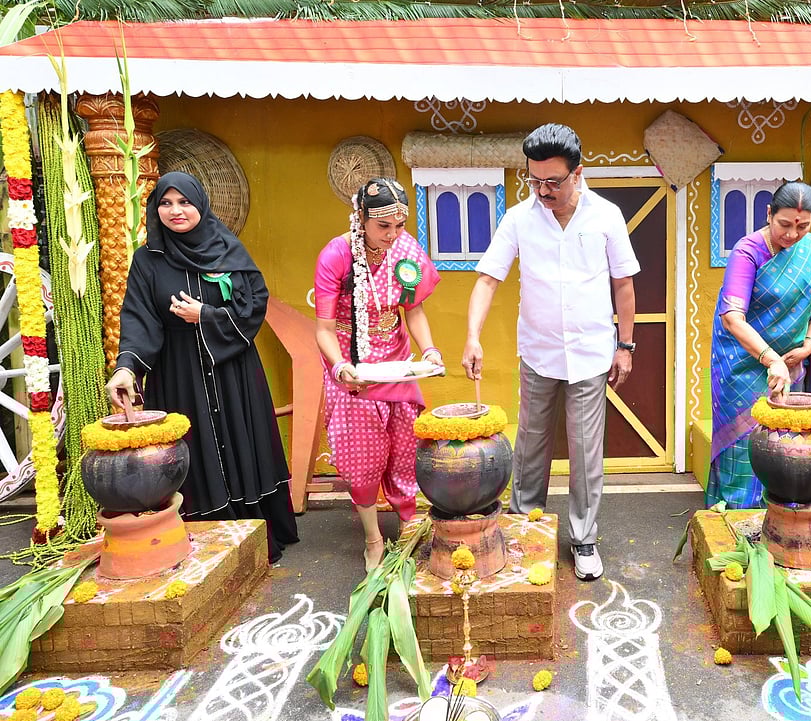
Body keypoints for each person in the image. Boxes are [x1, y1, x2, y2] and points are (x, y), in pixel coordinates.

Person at [461, 123, 639, 582]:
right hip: (538, 353)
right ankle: (526, 529)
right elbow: (488, 278)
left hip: (590, 353)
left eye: (553, 182)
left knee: (585, 452)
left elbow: (623, 283)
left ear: (577, 173)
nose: (542, 191)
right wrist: (472, 335)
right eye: (534, 180)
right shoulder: (519, 218)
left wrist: (625, 344)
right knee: (530, 447)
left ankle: (583, 539)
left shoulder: (606, 216)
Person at [106, 171, 299, 564]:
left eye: (184, 202)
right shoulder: (148, 261)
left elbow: (253, 305)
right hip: (180, 373)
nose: (175, 211)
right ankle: (204, 542)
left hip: (232, 370)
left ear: (200, 204)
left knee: (241, 442)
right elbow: (140, 319)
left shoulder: (228, 249)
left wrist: (206, 316)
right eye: (165, 203)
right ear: (155, 209)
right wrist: (127, 368)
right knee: (195, 451)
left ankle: (258, 532)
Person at [706, 181, 811, 509]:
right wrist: (771, 360)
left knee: (787, 448)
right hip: (743, 365)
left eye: (802, 226)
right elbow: (732, 317)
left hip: (792, 363)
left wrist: (810, 344)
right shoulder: (748, 251)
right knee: (743, 453)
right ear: (769, 214)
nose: (792, 234)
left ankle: (781, 527)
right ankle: (734, 526)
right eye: (784, 224)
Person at [314, 178, 442, 573]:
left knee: (406, 446)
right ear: (361, 220)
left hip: (397, 361)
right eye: (383, 226)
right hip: (351, 365)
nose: (392, 235)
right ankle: (373, 538)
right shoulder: (336, 255)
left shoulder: (405, 250)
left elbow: (413, 309)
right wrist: (341, 368)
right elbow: (323, 329)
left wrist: (430, 349)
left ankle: (407, 527)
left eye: (399, 225)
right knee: (362, 455)